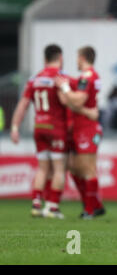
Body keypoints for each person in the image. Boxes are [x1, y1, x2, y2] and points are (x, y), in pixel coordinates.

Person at [10, 45, 68, 218]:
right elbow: (66, 102)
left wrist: (14, 127)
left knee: (43, 168)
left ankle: (36, 203)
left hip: (39, 127)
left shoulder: (34, 80)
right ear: (60, 58)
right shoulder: (61, 79)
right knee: (59, 168)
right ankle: (52, 207)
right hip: (56, 128)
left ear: (45, 59)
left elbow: (23, 105)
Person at [55, 46, 105, 219]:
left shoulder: (87, 76)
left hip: (88, 128)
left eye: (77, 57)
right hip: (79, 127)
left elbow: (78, 99)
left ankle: (90, 210)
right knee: (74, 168)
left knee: (88, 169)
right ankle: (95, 205)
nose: (76, 61)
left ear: (82, 57)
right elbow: (69, 101)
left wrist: (66, 90)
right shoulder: (83, 78)